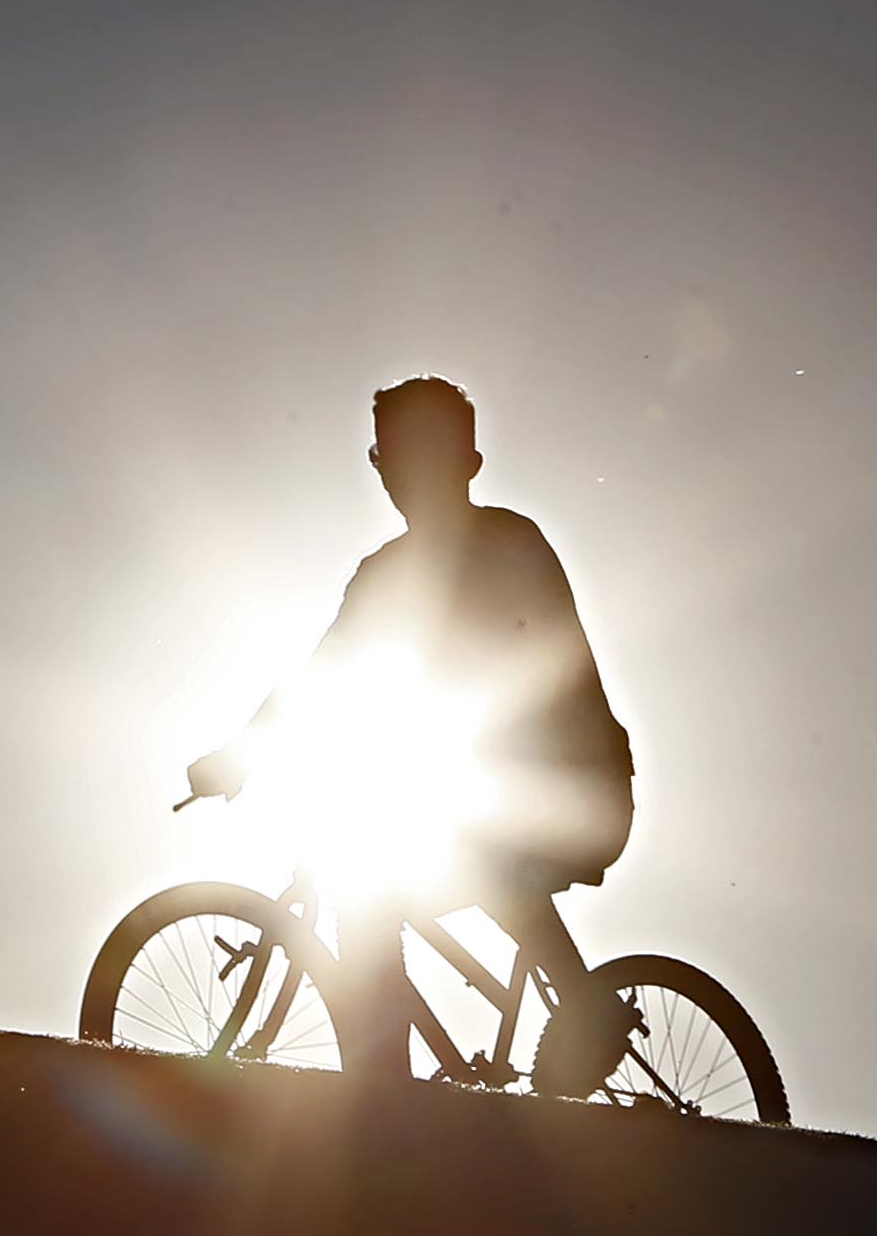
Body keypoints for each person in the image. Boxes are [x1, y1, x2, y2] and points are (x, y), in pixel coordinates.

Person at [188, 376, 643, 1097]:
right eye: (389, 457)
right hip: (492, 786)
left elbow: (527, 667)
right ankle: (383, 1089)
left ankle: (583, 1011)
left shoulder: (510, 542)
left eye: (420, 454)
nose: (403, 474)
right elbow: (318, 677)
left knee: (469, 854)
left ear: (470, 463)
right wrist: (241, 752)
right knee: (368, 896)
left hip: (578, 786)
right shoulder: (380, 576)